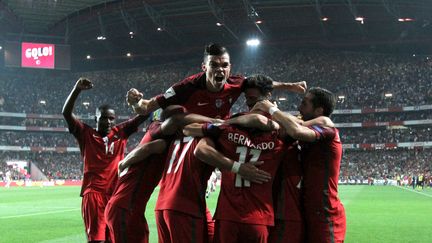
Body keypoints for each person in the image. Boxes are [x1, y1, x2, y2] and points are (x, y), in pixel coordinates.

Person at [254, 87, 346, 243]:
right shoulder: (309, 126)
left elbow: (296, 130)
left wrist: (271, 108)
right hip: (307, 211)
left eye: (304, 103)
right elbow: (287, 130)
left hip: (325, 214)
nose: (298, 107)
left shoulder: (326, 124)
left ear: (318, 111)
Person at [62, 77, 148, 243]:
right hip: (94, 194)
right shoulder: (85, 134)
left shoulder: (120, 132)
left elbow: (143, 115)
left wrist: (139, 101)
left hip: (115, 194)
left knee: (114, 239)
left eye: (111, 118)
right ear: (96, 119)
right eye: (103, 118)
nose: (108, 122)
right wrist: (77, 89)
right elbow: (66, 113)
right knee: (97, 240)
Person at [126, 43, 307, 119]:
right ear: (204, 67)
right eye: (214, 65)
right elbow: (146, 108)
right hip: (194, 134)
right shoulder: (186, 87)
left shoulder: (237, 82)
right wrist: (135, 103)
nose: (220, 69)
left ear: (230, 67)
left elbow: (262, 83)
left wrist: (290, 86)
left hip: (221, 133)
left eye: (224, 65)